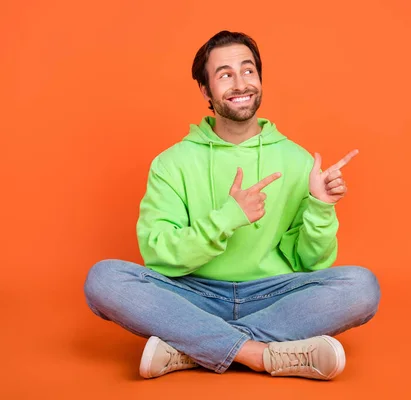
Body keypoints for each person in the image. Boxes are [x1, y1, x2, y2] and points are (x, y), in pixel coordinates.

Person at [83, 30, 381, 381]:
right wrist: (227, 218)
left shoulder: (297, 161)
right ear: (206, 90)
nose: (240, 83)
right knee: (103, 278)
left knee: (362, 287)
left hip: (272, 295)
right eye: (225, 75)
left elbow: (311, 263)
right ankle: (258, 354)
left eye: (248, 71)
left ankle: (189, 348)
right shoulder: (171, 163)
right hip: (193, 293)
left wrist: (320, 206)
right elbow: (159, 255)